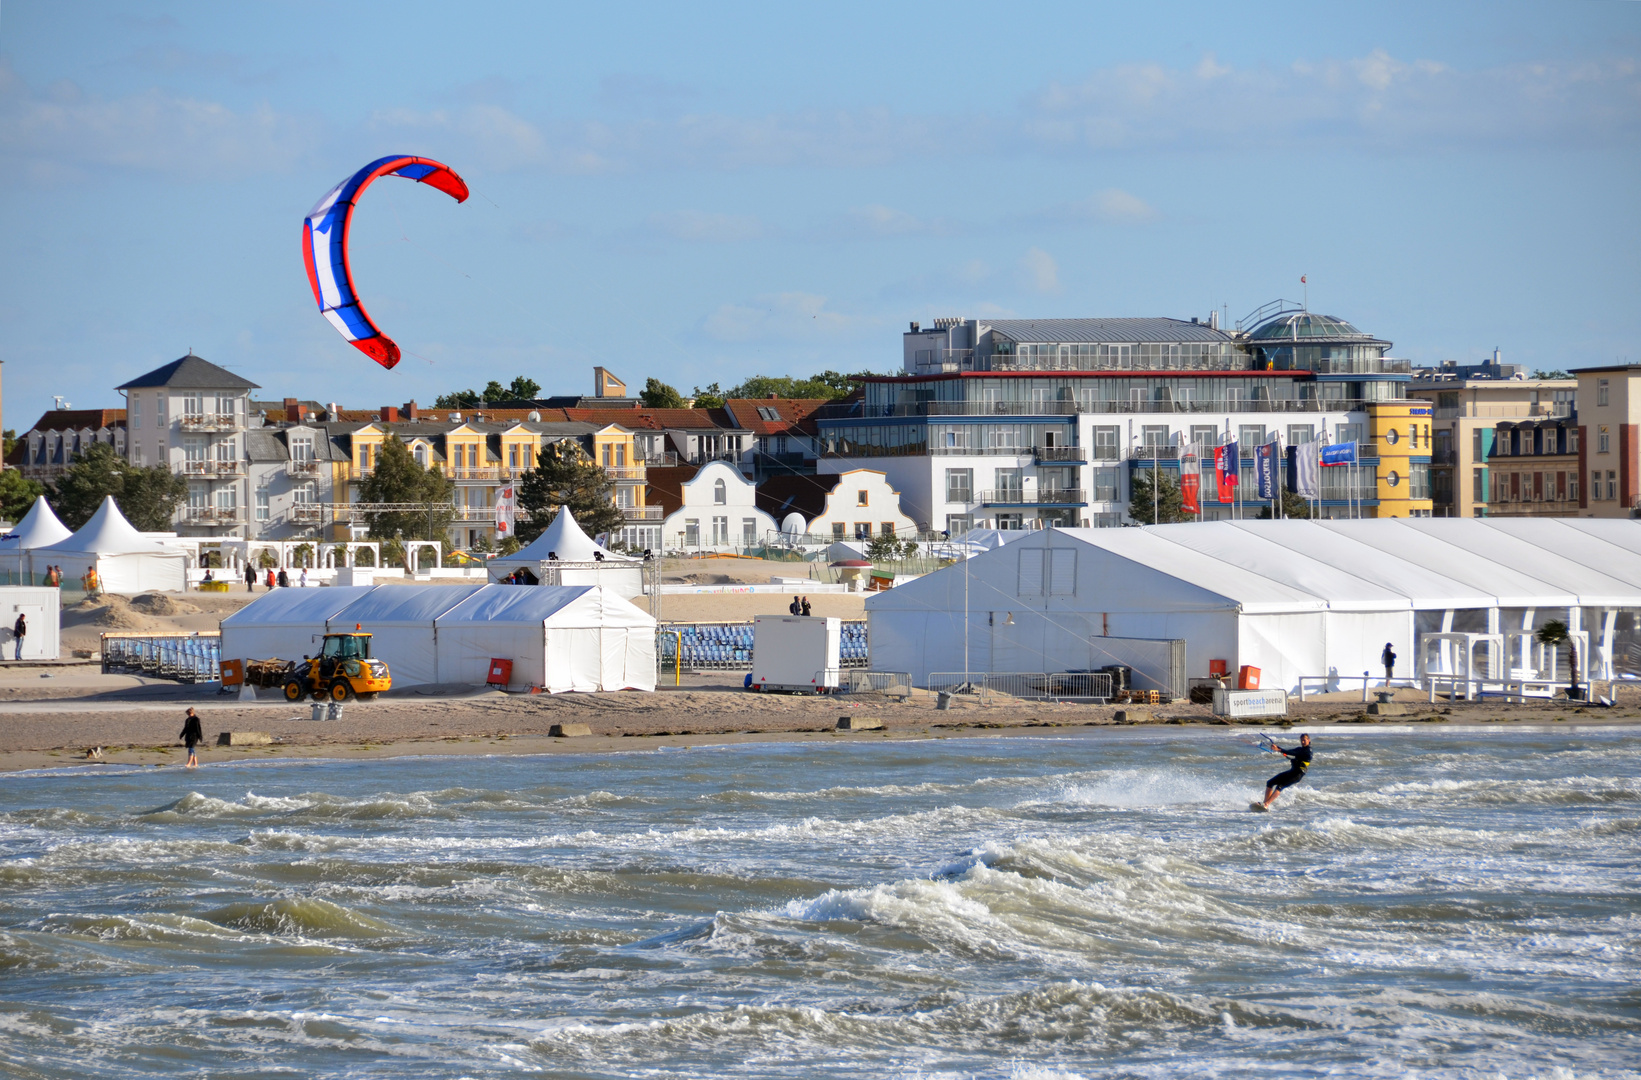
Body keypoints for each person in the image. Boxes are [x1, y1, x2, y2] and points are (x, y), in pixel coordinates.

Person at [1261, 733, 1312, 810]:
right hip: (1291, 772)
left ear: (1309, 740)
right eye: (1301, 740)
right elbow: (1288, 751)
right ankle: (1264, 804)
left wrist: (1279, 750)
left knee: (1280, 786)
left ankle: (1267, 804)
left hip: (1297, 775)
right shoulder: (1300, 749)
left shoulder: (1308, 751)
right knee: (1270, 783)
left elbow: (1293, 753)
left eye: (1304, 740)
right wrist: (1277, 748)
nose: (1303, 742)